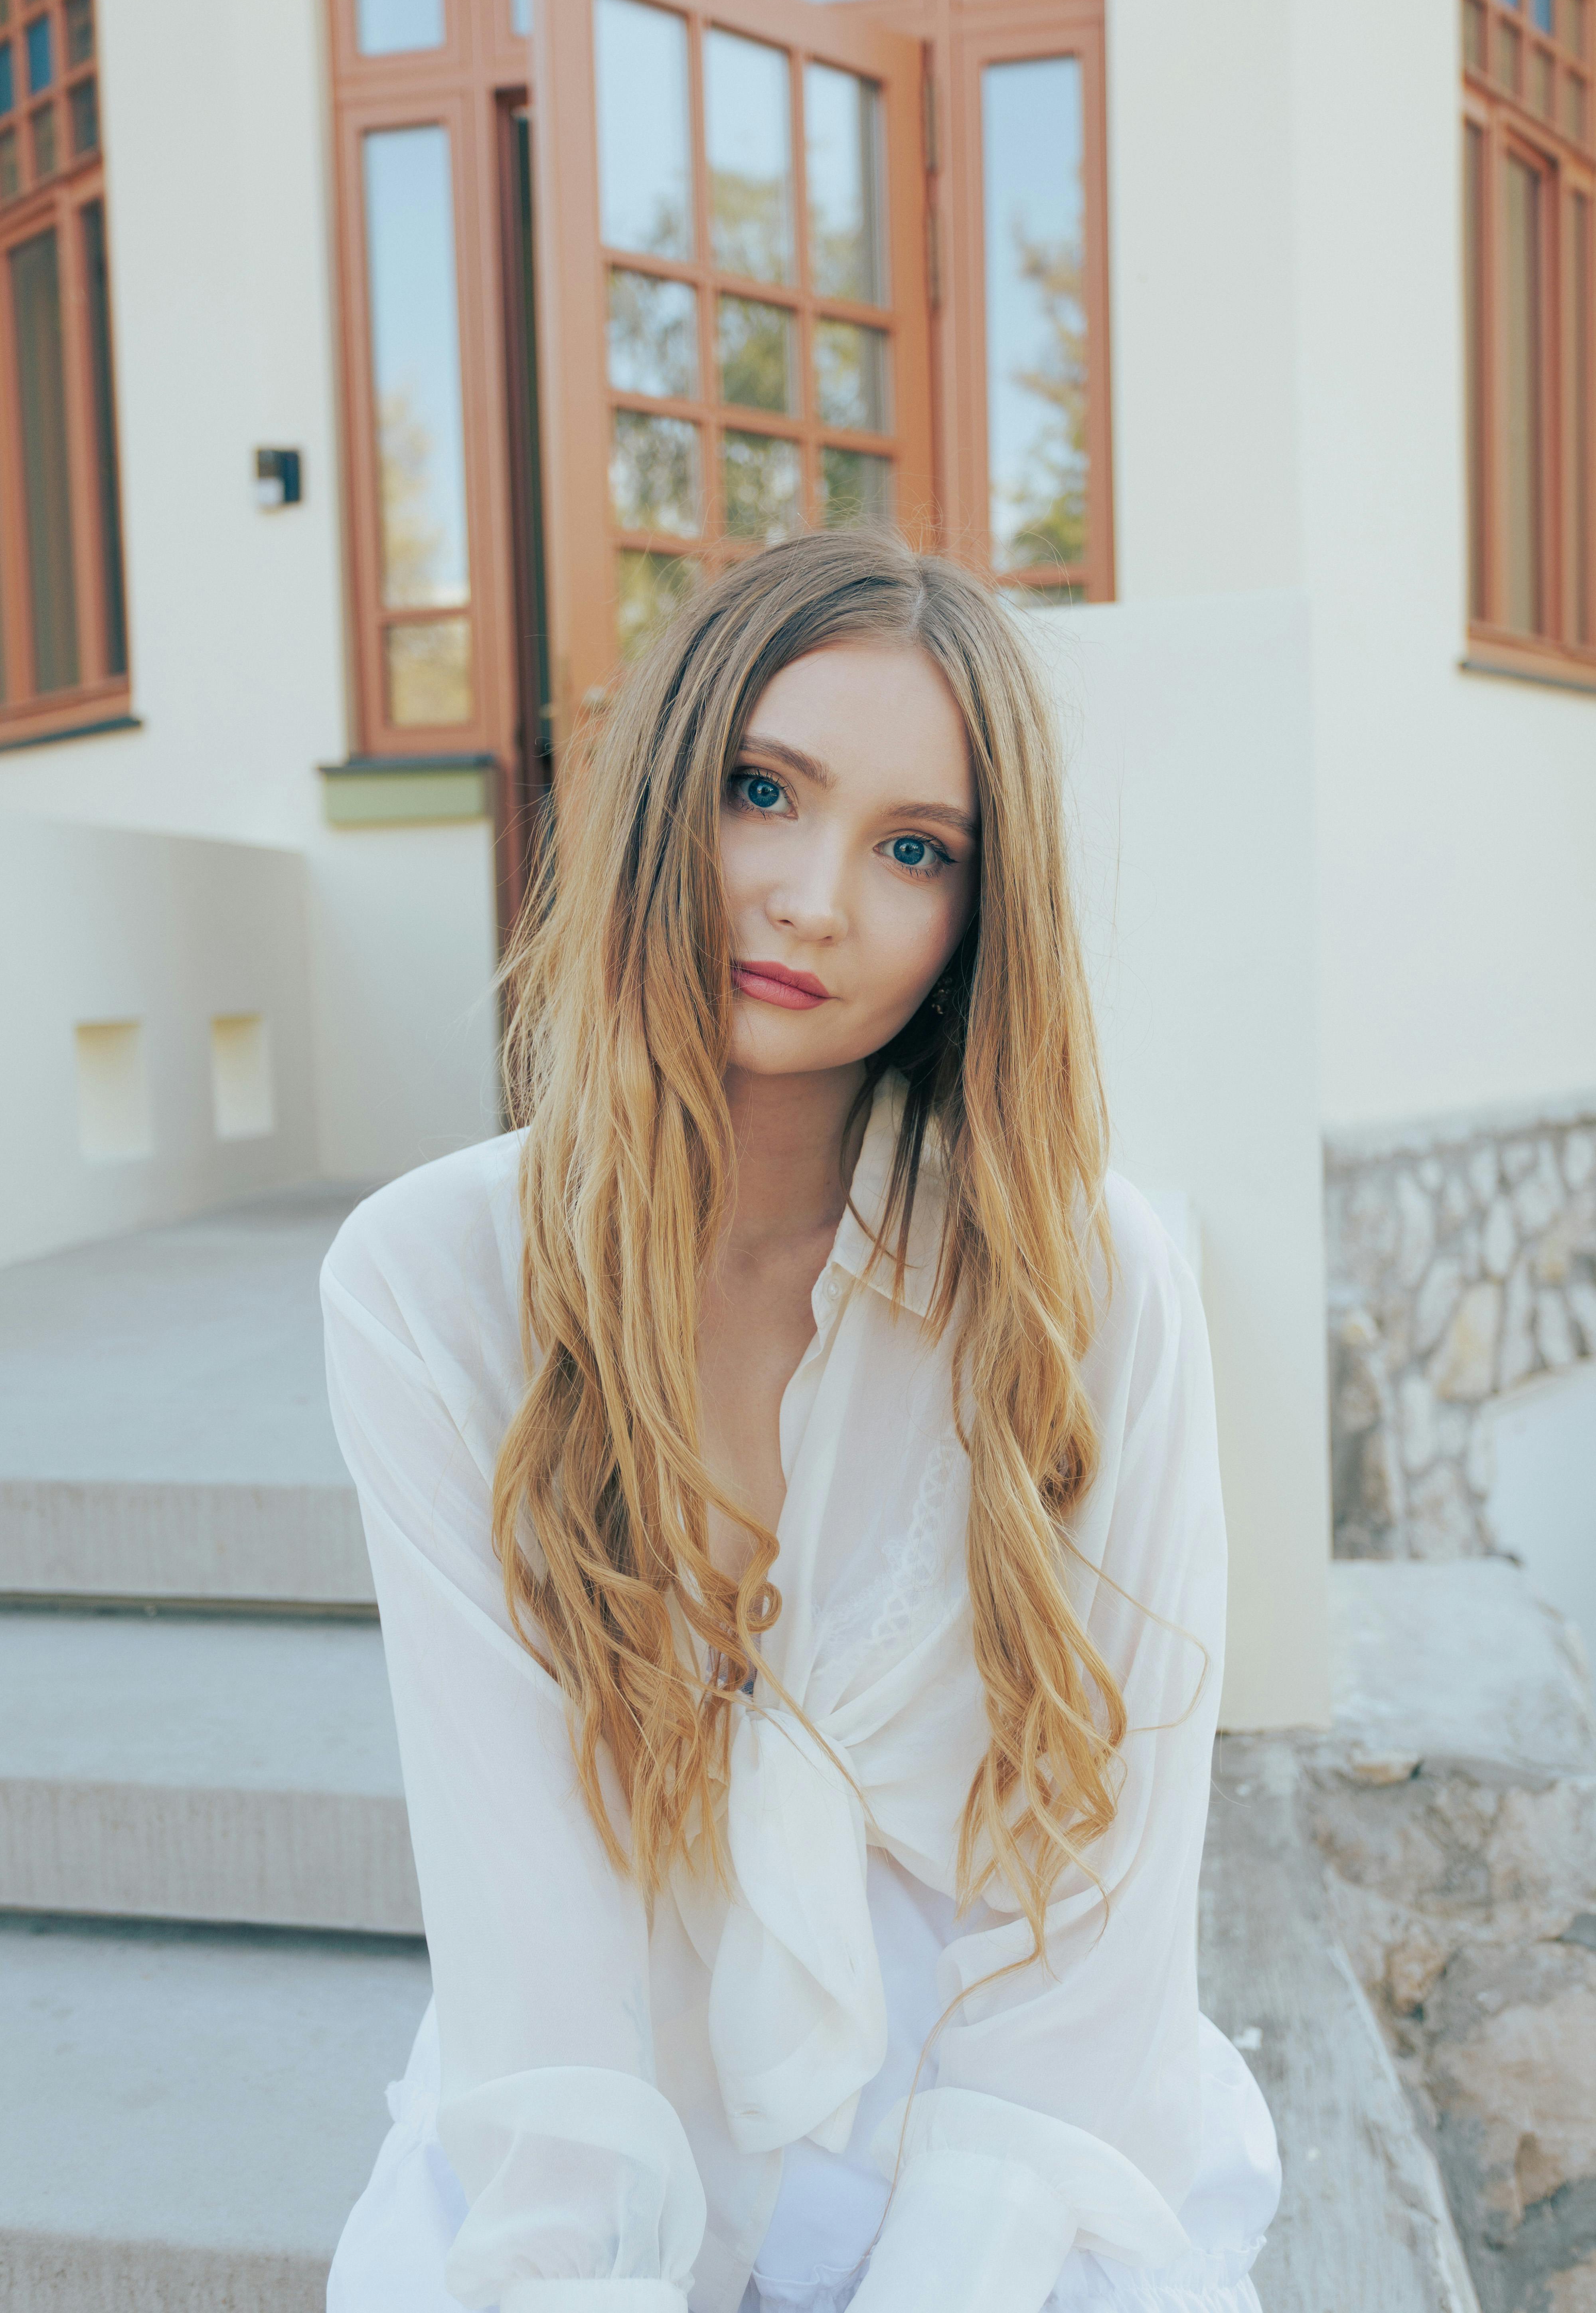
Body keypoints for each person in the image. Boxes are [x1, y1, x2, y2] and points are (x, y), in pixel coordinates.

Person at [320, 531, 1281, 2313]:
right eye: (764, 791)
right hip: (602, 2073)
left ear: (978, 919)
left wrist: (958, 2268)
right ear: (665, 789)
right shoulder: (430, 1280)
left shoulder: (1089, 1275)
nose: (813, 898)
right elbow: (522, 1893)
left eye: (915, 849)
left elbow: (1111, 1875)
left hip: (999, 2104)